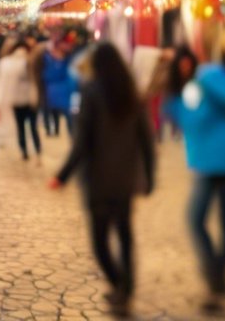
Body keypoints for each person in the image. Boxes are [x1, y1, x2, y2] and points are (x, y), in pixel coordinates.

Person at [50, 44, 155, 317]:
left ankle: (119, 282)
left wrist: (62, 175)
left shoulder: (91, 91)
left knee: (100, 241)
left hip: (97, 179)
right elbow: (147, 140)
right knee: (124, 234)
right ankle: (126, 288)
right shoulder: (133, 94)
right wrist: (150, 177)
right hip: (125, 178)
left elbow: (82, 141)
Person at [167, 48, 225, 315]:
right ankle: (222, 280)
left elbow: (195, 120)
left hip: (211, 162)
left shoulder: (199, 85)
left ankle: (215, 280)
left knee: (196, 219)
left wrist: (173, 108)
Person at [0, 40, 42, 160]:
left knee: (21, 127)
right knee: (33, 127)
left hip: (16, 100)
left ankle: (24, 150)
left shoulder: (6, 63)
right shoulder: (31, 61)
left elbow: (2, 83)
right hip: (31, 98)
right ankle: (37, 150)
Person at [41, 41, 73, 137]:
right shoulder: (47, 60)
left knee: (66, 115)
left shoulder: (67, 61)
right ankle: (50, 129)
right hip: (51, 90)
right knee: (49, 111)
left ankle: (59, 130)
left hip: (63, 92)